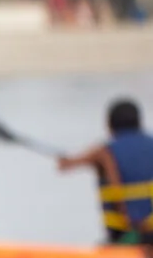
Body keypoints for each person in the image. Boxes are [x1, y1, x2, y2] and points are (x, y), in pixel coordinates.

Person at [57, 98, 153, 245]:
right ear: (139, 122)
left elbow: (66, 165)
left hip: (125, 238)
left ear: (109, 125)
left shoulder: (104, 153)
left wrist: (65, 159)